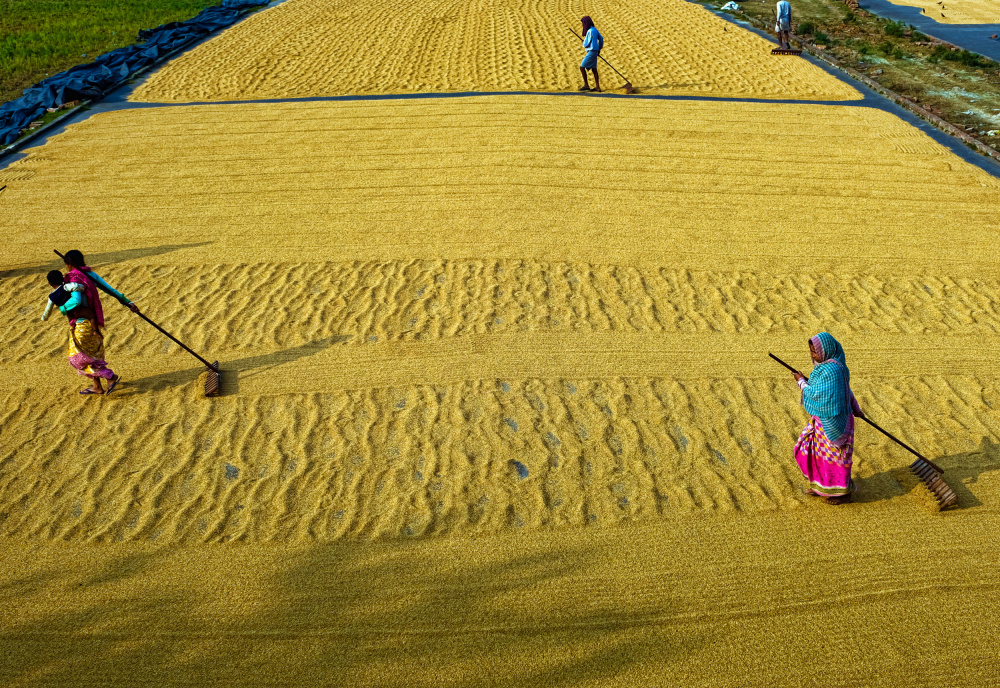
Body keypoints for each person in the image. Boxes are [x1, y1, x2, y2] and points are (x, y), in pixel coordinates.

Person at [790, 332, 864, 504]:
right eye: (811, 351)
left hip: (835, 423)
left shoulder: (833, 370)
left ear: (826, 350)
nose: (812, 355)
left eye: (815, 351)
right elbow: (844, 391)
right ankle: (821, 486)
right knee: (814, 452)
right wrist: (857, 408)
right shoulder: (826, 368)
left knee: (837, 458)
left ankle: (843, 493)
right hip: (821, 421)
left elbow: (817, 394)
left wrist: (801, 382)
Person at [56, 249, 139, 394]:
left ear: (68, 264)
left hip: (82, 324)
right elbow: (110, 290)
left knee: (78, 358)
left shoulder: (74, 278)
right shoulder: (89, 274)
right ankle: (97, 387)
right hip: (93, 322)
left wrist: (63, 308)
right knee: (91, 356)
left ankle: (110, 377)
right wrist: (128, 302)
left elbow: (75, 301)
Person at [579, 16, 603, 92]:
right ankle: (597, 87)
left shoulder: (590, 31)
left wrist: (584, 43)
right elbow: (601, 39)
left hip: (592, 51)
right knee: (594, 69)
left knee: (582, 67)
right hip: (594, 51)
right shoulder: (594, 29)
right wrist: (599, 48)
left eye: (583, 23)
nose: (582, 25)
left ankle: (586, 85)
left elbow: (587, 42)